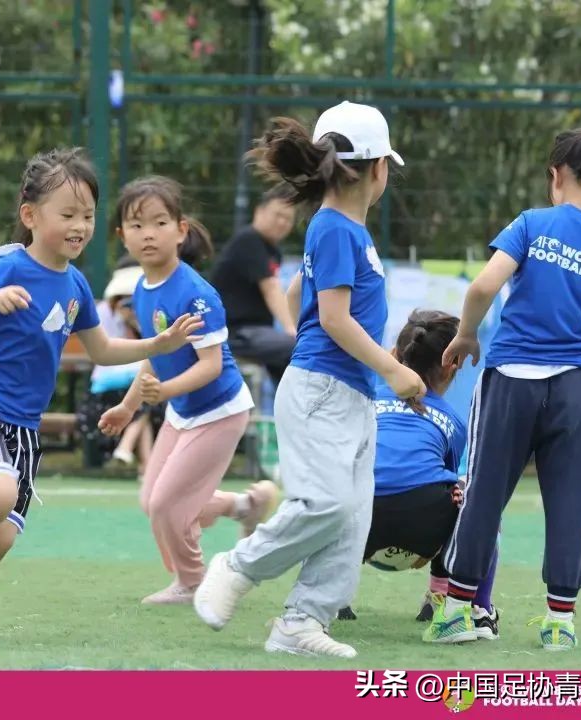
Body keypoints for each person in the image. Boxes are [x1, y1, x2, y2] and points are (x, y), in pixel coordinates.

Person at [0, 148, 202, 637]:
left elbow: (101, 349)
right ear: (30, 216)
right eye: (68, 214)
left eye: (88, 216)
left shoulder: (76, 284)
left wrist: (157, 344)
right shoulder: (9, 264)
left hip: (24, 425)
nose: (80, 226)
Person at [192, 102, 426, 659]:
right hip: (324, 390)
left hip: (348, 393)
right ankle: (238, 567)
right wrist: (394, 369)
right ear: (376, 169)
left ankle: (302, 620)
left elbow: (301, 294)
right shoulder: (337, 228)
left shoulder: (340, 230)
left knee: (353, 516)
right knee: (327, 504)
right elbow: (335, 319)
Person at [434, 128, 581, 650]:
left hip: (511, 379)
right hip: (578, 388)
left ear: (557, 176)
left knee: (484, 492)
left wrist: (466, 334)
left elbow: (483, 286)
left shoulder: (532, 223)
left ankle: (456, 611)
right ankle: (559, 622)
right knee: (571, 503)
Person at [98, 176, 279, 605]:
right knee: (152, 501)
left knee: (167, 505)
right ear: (123, 236)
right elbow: (154, 354)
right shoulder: (141, 289)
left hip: (220, 412)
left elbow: (211, 366)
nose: (148, 234)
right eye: (137, 225)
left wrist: (164, 391)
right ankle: (244, 506)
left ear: (180, 230)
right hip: (182, 411)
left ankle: (192, 581)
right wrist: (128, 407)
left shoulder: (197, 294)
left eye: (159, 223)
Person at [333, 310, 501, 640]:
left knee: (331, 485)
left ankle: (335, 595)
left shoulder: (364, 401)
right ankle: (452, 598)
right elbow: (446, 479)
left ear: (394, 355)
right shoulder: (453, 421)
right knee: (471, 498)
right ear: (453, 365)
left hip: (360, 521)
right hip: (424, 524)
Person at [210, 184, 298, 383]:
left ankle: (289, 402)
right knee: (297, 348)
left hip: (257, 332)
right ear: (260, 212)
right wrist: (292, 330)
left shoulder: (272, 251)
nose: (282, 222)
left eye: (288, 219)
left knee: (288, 367)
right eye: (278, 215)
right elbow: (271, 289)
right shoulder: (249, 240)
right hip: (236, 332)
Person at [83, 263, 154, 470]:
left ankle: (141, 461)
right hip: (108, 384)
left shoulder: (144, 311)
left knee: (145, 397)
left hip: (135, 383)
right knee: (146, 398)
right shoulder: (103, 312)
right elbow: (106, 351)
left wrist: (134, 322)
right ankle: (141, 460)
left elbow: (151, 344)